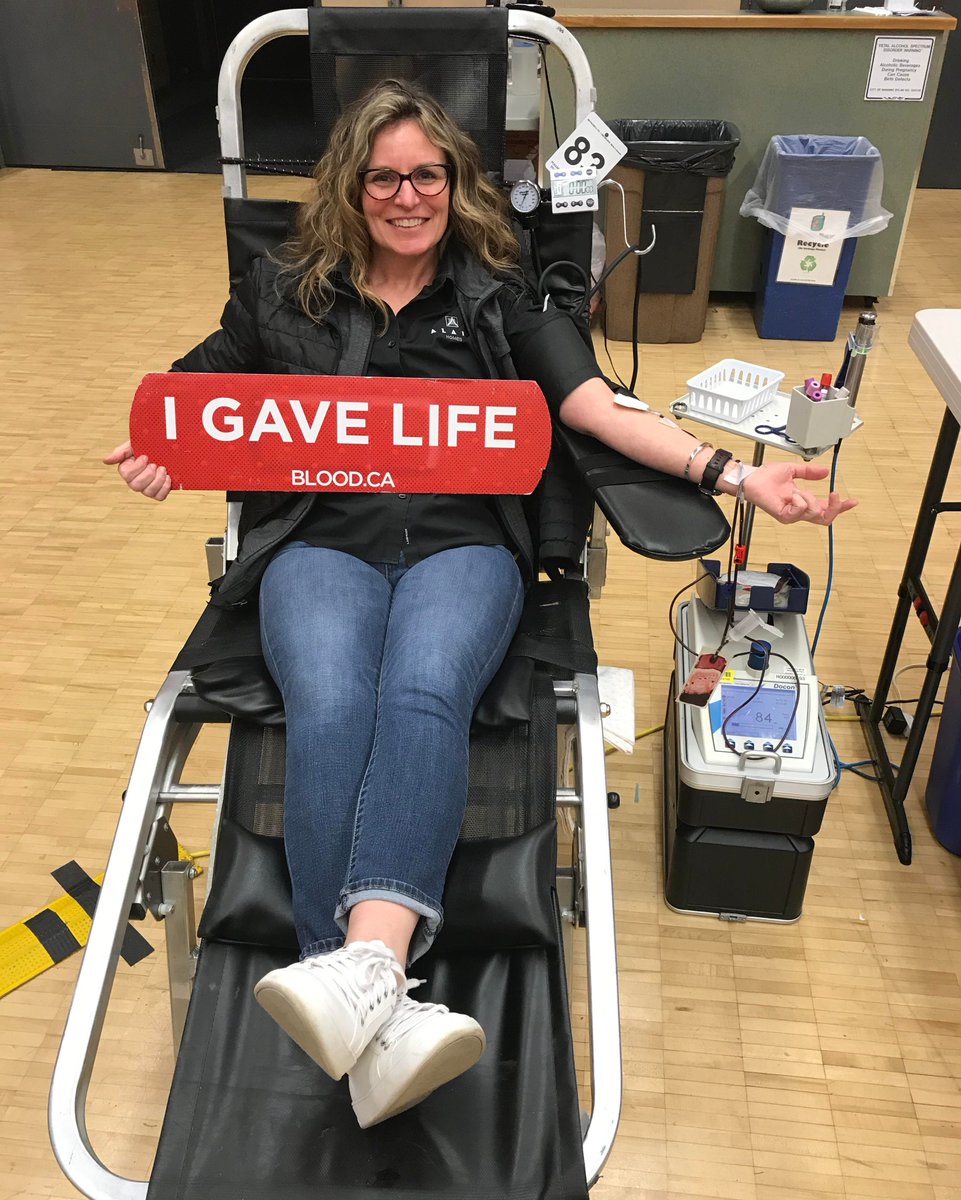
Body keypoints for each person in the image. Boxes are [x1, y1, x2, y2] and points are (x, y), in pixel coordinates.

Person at [105, 79, 856, 1130]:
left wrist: (738, 477)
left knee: (420, 693)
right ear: (350, 187)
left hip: (466, 545)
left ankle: (352, 979)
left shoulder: (500, 296)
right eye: (384, 177)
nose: (406, 195)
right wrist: (160, 447)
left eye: (427, 174)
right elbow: (200, 397)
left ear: (454, 185)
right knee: (328, 702)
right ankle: (380, 1000)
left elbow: (597, 406)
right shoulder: (286, 293)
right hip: (320, 540)